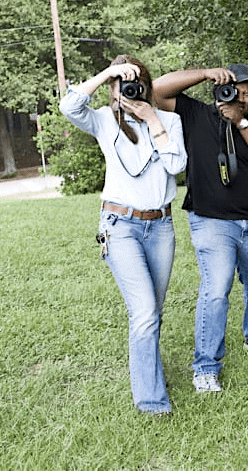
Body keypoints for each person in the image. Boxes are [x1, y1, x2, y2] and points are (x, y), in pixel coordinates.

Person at [59, 55, 187, 415]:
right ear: (114, 91)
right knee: (144, 311)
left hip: (160, 227)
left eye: (136, 83)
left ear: (147, 87)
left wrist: (152, 120)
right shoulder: (103, 120)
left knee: (152, 312)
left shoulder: (170, 121)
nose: (130, 90)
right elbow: (69, 105)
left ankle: (150, 375)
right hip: (120, 227)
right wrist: (108, 73)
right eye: (123, 84)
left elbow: (177, 165)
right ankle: (152, 402)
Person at [152, 63, 248, 393]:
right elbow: (155, 91)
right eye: (235, 91)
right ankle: (205, 367)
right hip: (210, 220)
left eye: (247, 94)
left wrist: (240, 121)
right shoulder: (196, 114)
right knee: (216, 290)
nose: (241, 98)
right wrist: (204, 73)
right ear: (218, 91)